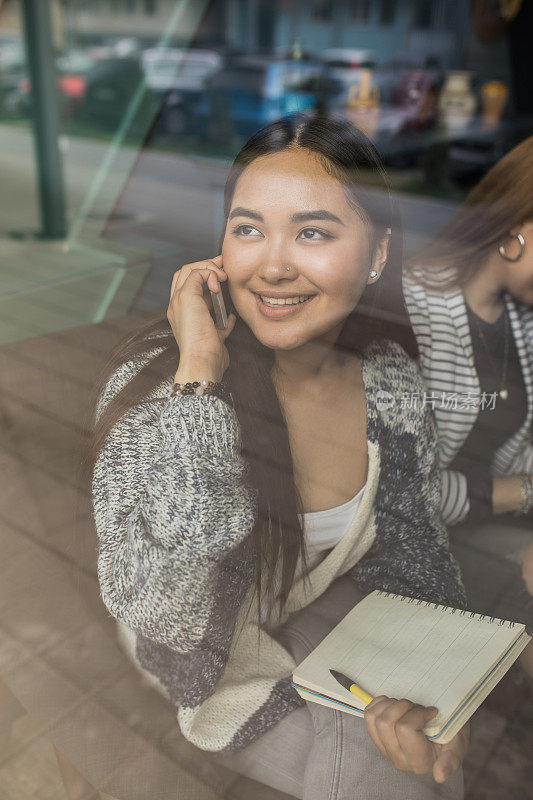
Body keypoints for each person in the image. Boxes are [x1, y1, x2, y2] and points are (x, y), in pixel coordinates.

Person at [88, 112, 468, 800]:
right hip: (197, 653)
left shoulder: (388, 383)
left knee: (421, 747)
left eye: (313, 232)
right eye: (247, 228)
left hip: (311, 603)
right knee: (390, 772)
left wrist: (438, 686)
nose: (271, 264)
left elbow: (413, 544)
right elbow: (162, 610)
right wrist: (200, 376)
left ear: (377, 254)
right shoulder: (161, 392)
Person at [403, 136, 533, 679]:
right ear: (515, 228)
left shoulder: (523, 320)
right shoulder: (408, 308)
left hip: (489, 529)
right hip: (414, 549)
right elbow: (401, 495)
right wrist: (523, 494)